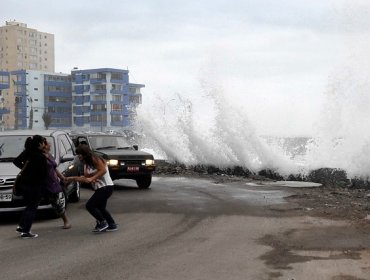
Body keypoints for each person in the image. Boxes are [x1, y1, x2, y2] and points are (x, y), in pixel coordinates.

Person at [66, 145, 117, 232]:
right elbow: (86, 178)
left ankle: (102, 222)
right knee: (101, 208)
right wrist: (71, 178)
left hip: (106, 187)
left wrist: (92, 178)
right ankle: (111, 225)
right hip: (100, 188)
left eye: (80, 154)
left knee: (90, 205)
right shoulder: (87, 164)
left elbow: (103, 170)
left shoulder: (95, 159)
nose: (78, 156)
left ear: (85, 154)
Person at [13, 135, 48, 239]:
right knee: (32, 208)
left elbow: (16, 161)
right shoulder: (40, 156)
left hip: (24, 184)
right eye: (42, 142)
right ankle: (26, 231)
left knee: (28, 206)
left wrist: (26, 169)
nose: (44, 144)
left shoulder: (27, 152)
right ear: (39, 144)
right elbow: (44, 173)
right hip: (35, 185)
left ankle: (21, 226)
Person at [42, 139, 71, 229]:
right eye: (47, 143)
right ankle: (25, 224)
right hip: (44, 182)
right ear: (44, 145)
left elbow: (54, 168)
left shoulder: (49, 155)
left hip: (53, 182)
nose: (50, 144)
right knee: (34, 203)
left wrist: (62, 177)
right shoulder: (40, 156)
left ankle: (66, 221)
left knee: (57, 202)